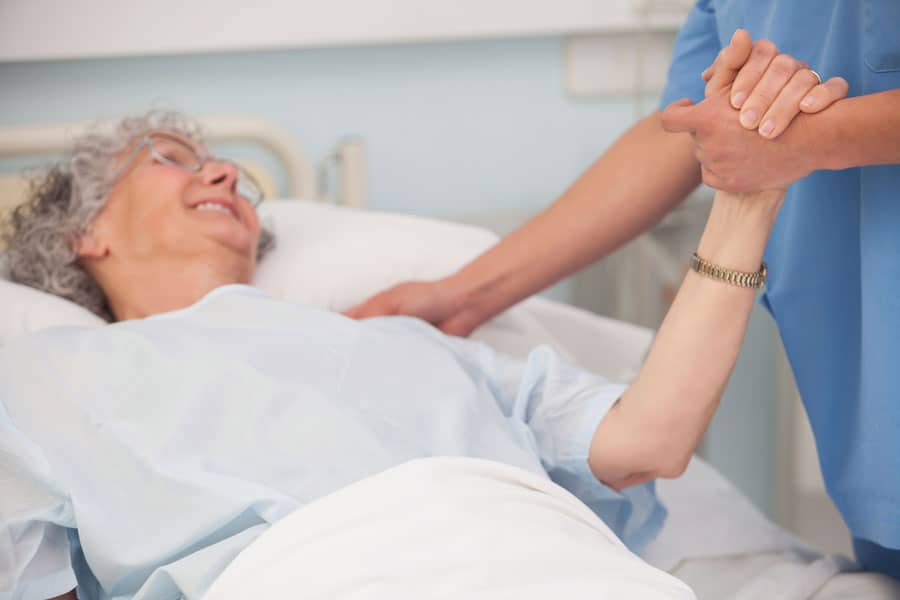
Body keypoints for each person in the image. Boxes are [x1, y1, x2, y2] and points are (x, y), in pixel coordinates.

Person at [0, 110, 785, 600]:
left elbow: (652, 438)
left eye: (225, 167)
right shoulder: (38, 378)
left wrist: (748, 202)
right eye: (167, 157)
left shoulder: (403, 339)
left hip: (546, 560)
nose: (225, 171)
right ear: (85, 235)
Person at [347, 3, 900, 580]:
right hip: (866, 381)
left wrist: (808, 141)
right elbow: (682, 128)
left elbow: (642, 446)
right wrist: (464, 295)